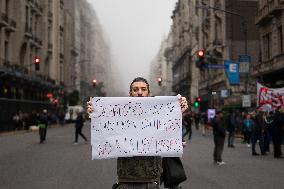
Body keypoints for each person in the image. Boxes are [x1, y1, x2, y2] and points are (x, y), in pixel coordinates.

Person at [87, 77, 188, 189]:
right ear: (130, 94)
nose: (140, 92)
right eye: (135, 89)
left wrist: (178, 113)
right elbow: (105, 133)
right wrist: (95, 114)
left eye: (143, 89)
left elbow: (174, 139)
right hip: (125, 181)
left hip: (152, 182)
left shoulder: (160, 115)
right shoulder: (119, 116)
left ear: (149, 93)